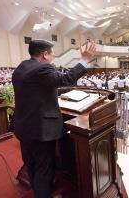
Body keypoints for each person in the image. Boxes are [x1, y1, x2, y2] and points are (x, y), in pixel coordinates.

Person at [12, 39, 96, 198]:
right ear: (44, 54)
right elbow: (66, 79)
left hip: (24, 127)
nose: (53, 56)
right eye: (52, 53)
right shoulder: (43, 68)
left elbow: (35, 90)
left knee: (31, 165)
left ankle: (39, 192)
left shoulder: (21, 68)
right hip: (40, 129)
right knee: (44, 169)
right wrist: (84, 59)